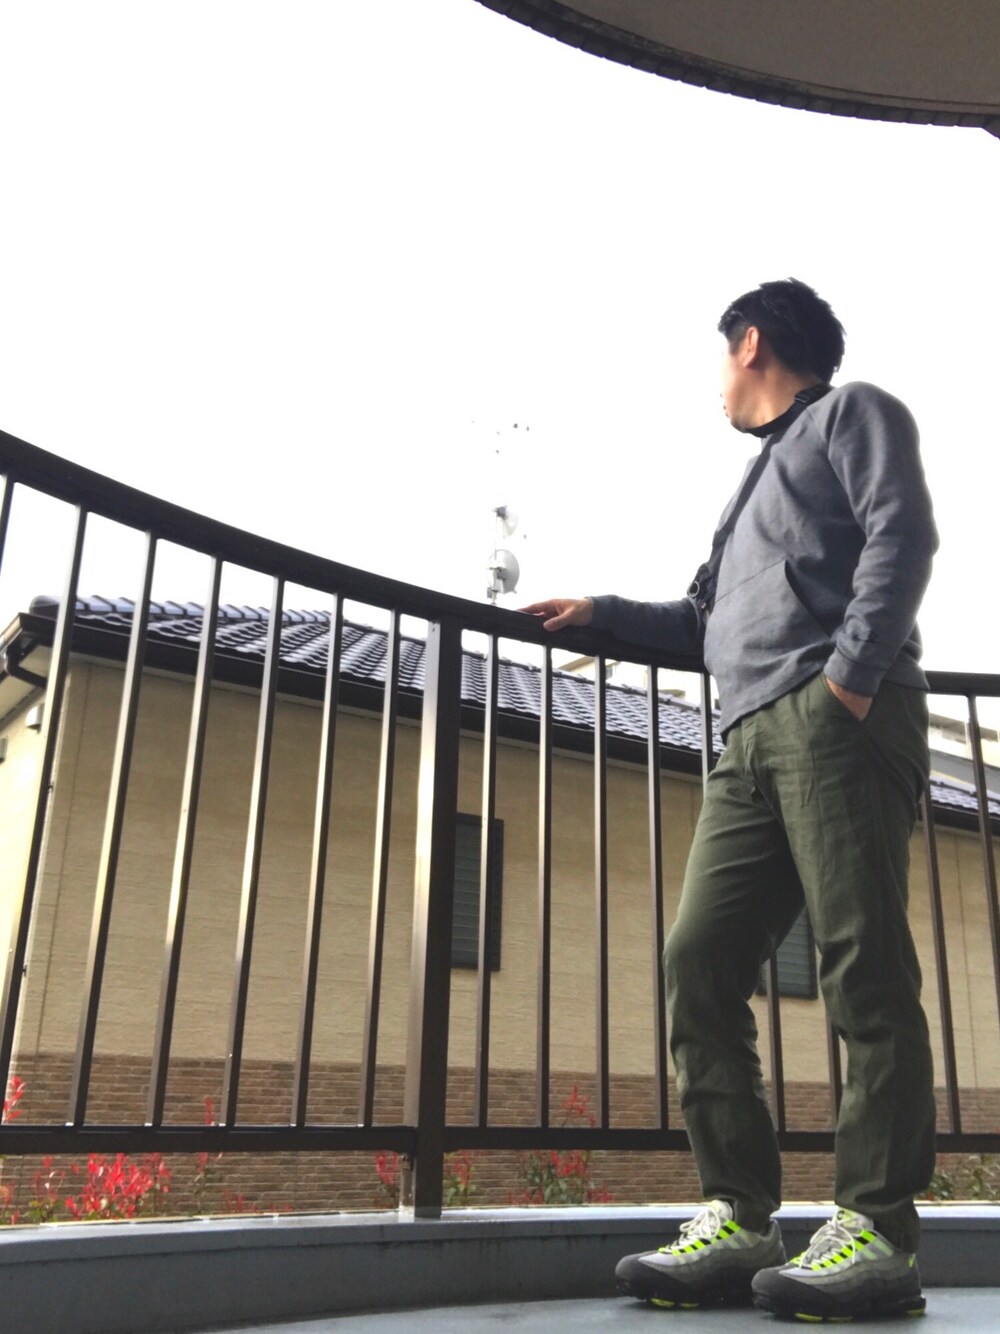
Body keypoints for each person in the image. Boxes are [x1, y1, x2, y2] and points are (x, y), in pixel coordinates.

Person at [521, 278, 938, 1322]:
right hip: (745, 740)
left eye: (721, 356)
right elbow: (700, 621)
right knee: (698, 958)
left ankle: (877, 1230)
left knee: (861, 962)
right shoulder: (746, 492)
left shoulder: (853, 413)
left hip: (836, 715)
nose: (717, 380)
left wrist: (849, 679)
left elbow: (904, 535)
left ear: (750, 342)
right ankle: (742, 1217)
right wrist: (600, 610)